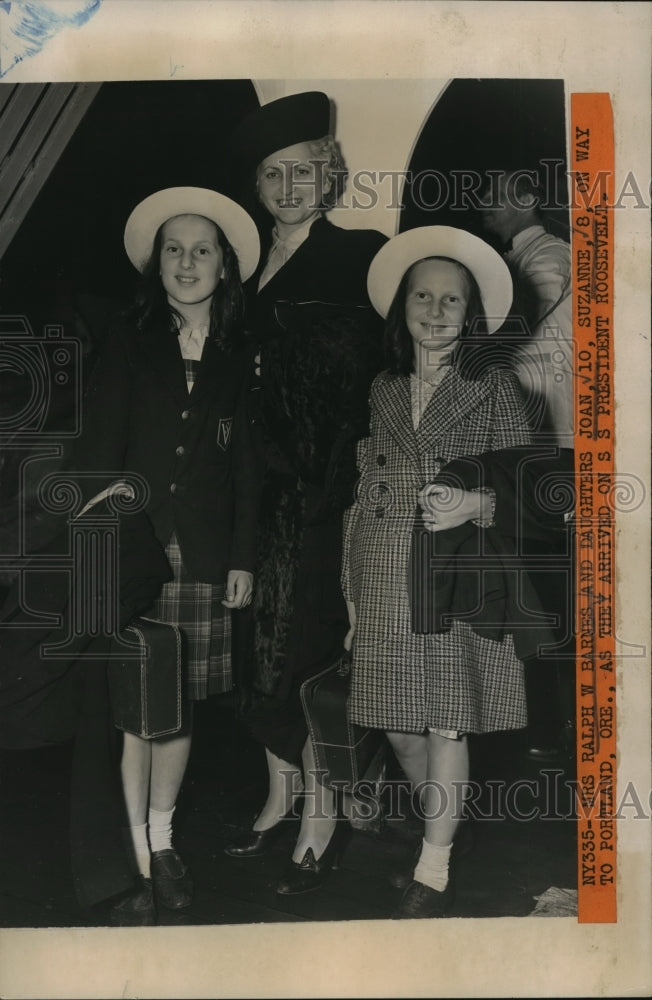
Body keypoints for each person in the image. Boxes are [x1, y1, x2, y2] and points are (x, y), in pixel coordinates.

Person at [342, 226, 550, 919]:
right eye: (422, 296)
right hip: (381, 578)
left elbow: (538, 491)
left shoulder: (496, 388)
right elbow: (364, 491)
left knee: (445, 724)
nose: (435, 311)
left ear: (473, 315)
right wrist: (350, 601)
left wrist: (477, 502)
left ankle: (433, 869)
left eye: (451, 300)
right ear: (402, 306)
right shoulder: (382, 388)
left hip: (456, 578)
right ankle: (446, 830)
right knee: (398, 727)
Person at [72, 187, 261, 923]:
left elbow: (245, 466)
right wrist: (100, 543)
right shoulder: (126, 337)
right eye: (174, 250)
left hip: (208, 555)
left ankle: (165, 839)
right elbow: (100, 452)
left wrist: (242, 556)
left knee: (175, 707)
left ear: (225, 266)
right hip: (134, 548)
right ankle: (131, 852)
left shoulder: (239, 354)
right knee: (131, 708)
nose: (187, 262)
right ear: (157, 265)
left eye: (202, 249)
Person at [224, 91, 387, 894]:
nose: (288, 187)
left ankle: (323, 811)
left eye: (303, 172)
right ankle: (278, 795)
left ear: (329, 179)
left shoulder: (364, 254)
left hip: (332, 489)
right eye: (272, 175)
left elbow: (382, 374)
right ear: (257, 187)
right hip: (261, 494)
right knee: (259, 642)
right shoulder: (244, 274)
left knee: (315, 649)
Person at [480, 169, 575, 759]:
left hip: (552, 443)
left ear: (527, 200)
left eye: (494, 198)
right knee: (532, 586)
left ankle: (562, 728)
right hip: (532, 443)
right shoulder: (523, 257)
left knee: (548, 586)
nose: (483, 210)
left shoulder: (549, 255)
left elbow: (521, 319)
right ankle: (547, 723)